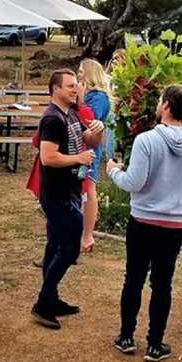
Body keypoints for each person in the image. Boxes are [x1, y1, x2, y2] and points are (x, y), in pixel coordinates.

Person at [107, 84, 182, 362]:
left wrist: (114, 171)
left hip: (143, 219)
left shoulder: (146, 140)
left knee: (134, 279)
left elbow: (134, 182)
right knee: (163, 283)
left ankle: (126, 337)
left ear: (165, 106)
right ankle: (155, 343)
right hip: (174, 223)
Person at [31, 69, 102, 330]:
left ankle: (52, 298)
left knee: (54, 245)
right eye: (70, 86)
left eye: (77, 85)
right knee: (70, 248)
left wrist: (98, 130)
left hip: (70, 190)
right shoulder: (51, 118)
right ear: (55, 89)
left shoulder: (70, 113)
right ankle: (42, 303)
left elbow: (88, 141)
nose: (76, 89)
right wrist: (78, 159)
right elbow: (47, 157)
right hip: (56, 194)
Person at [80, 58, 112, 253]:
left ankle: (87, 235)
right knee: (83, 187)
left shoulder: (97, 97)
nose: (78, 74)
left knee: (88, 186)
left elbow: (89, 121)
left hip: (89, 150)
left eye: (81, 71)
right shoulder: (92, 95)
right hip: (84, 148)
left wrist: (80, 101)